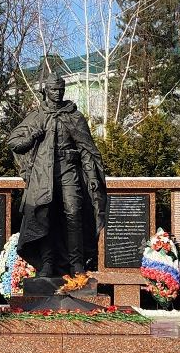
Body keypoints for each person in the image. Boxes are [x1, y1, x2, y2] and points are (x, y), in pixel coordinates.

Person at [7, 71, 109, 277]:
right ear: (45, 91)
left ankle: (77, 264)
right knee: (45, 215)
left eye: (61, 89)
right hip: (44, 175)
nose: (58, 93)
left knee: (74, 212)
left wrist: (91, 177)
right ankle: (47, 264)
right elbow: (13, 142)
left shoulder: (74, 116)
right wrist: (33, 136)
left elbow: (87, 150)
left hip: (68, 169)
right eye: (54, 89)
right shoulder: (37, 117)